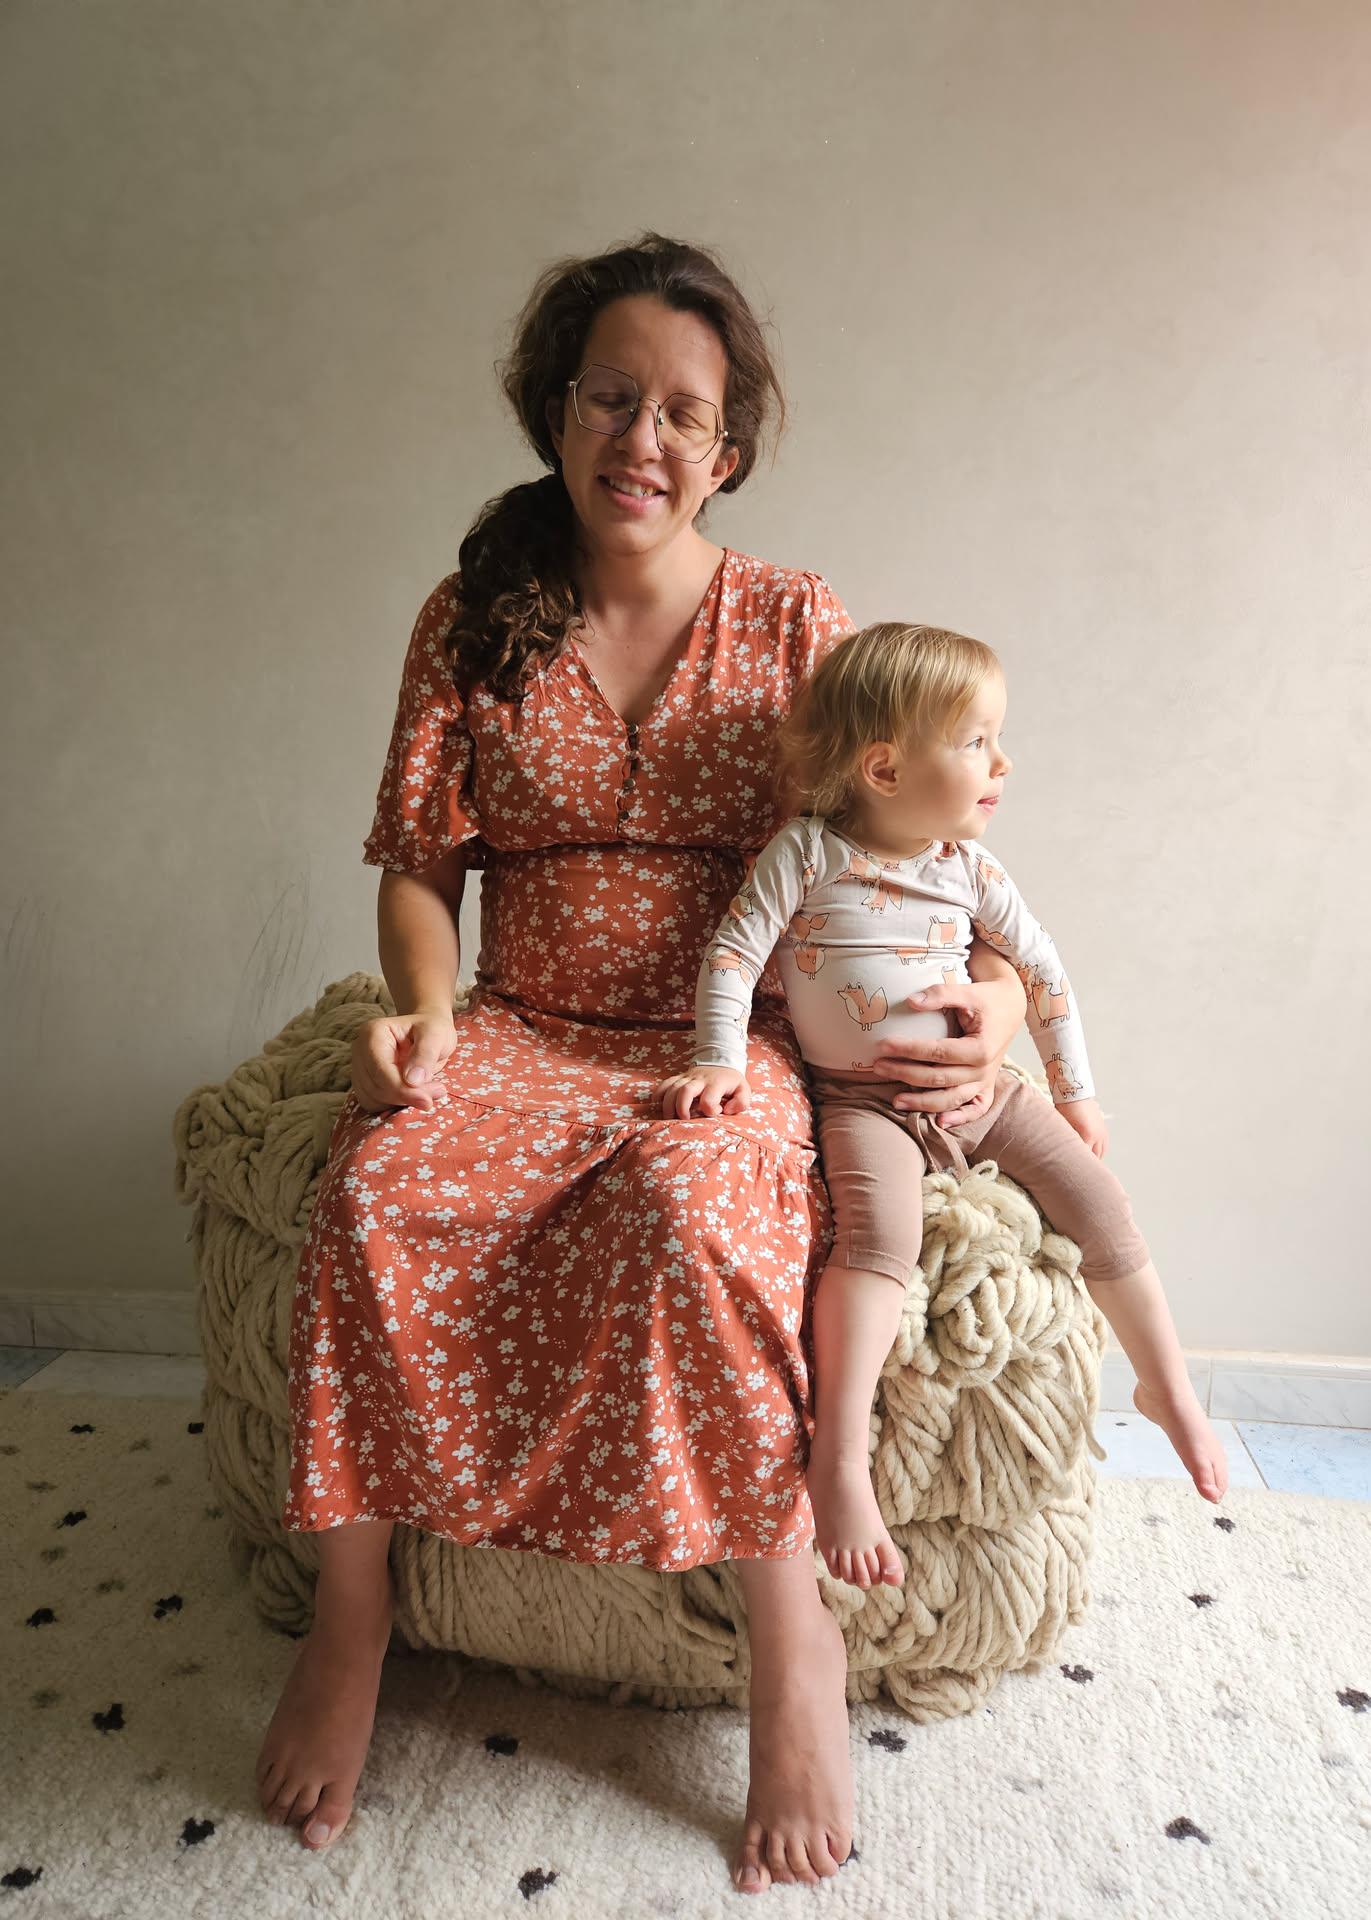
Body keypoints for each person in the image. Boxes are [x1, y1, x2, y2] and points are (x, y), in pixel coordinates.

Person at [254, 237, 1030, 1893]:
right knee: (374, 1195)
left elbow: (914, 835)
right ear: (558, 410)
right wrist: (426, 1016)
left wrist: (1002, 999)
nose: (644, 439)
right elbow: (419, 864)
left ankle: (791, 1638)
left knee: (698, 1218)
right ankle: (351, 1612)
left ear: (726, 450)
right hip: (522, 1028)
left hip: (724, 1040)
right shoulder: (471, 617)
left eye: (685, 413)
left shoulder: (796, 618)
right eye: (613, 397)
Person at [661, 621, 1228, 1591]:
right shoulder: (807, 854)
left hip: (982, 1092)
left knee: (1101, 1203)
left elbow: (1043, 975)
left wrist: (1075, 1093)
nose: (1003, 761)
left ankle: (1166, 1385)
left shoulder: (968, 867)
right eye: (976, 741)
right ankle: (840, 1462)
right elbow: (733, 954)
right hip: (863, 1103)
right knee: (875, 1241)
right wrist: (719, 1060)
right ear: (884, 769)